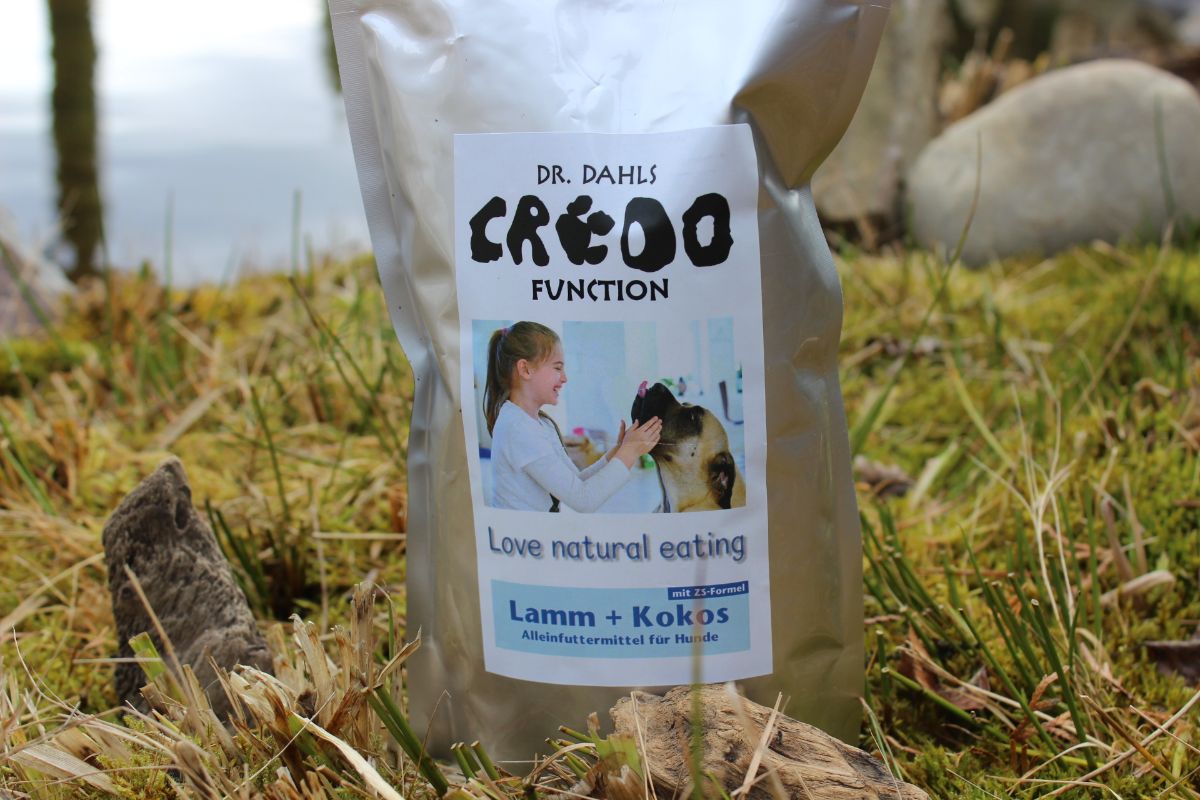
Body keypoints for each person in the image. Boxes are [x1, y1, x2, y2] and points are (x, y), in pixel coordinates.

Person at [483, 321, 661, 512]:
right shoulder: (517, 428)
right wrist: (630, 451)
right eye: (557, 368)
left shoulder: (542, 424)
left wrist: (618, 451)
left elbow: (575, 482)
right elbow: (583, 500)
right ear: (525, 369)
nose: (564, 378)